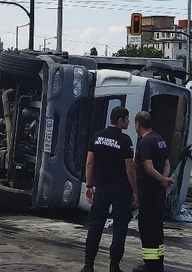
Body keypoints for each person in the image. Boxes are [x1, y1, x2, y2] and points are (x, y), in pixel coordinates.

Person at [81, 106, 138, 272]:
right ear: (120, 120)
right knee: (120, 228)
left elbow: (89, 163)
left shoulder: (97, 137)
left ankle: (88, 264)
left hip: (102, 188)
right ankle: (114, 266)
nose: (128, 122)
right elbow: (129, 169)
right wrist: (134, 191)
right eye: (127, 119)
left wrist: (89, 185)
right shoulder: (125, 140)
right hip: (121, 190)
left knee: (95, 226)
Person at [132, 111, 172, 272]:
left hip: (147, 190)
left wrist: (161, 179)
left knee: (147, 228)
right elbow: (167, 163)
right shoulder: (159, 139)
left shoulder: (146, 142)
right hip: (158, 191)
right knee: (157, 228)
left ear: (137, 124)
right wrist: (164, 178)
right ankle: (158, 263)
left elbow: (148, 168)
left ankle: (150, 265)